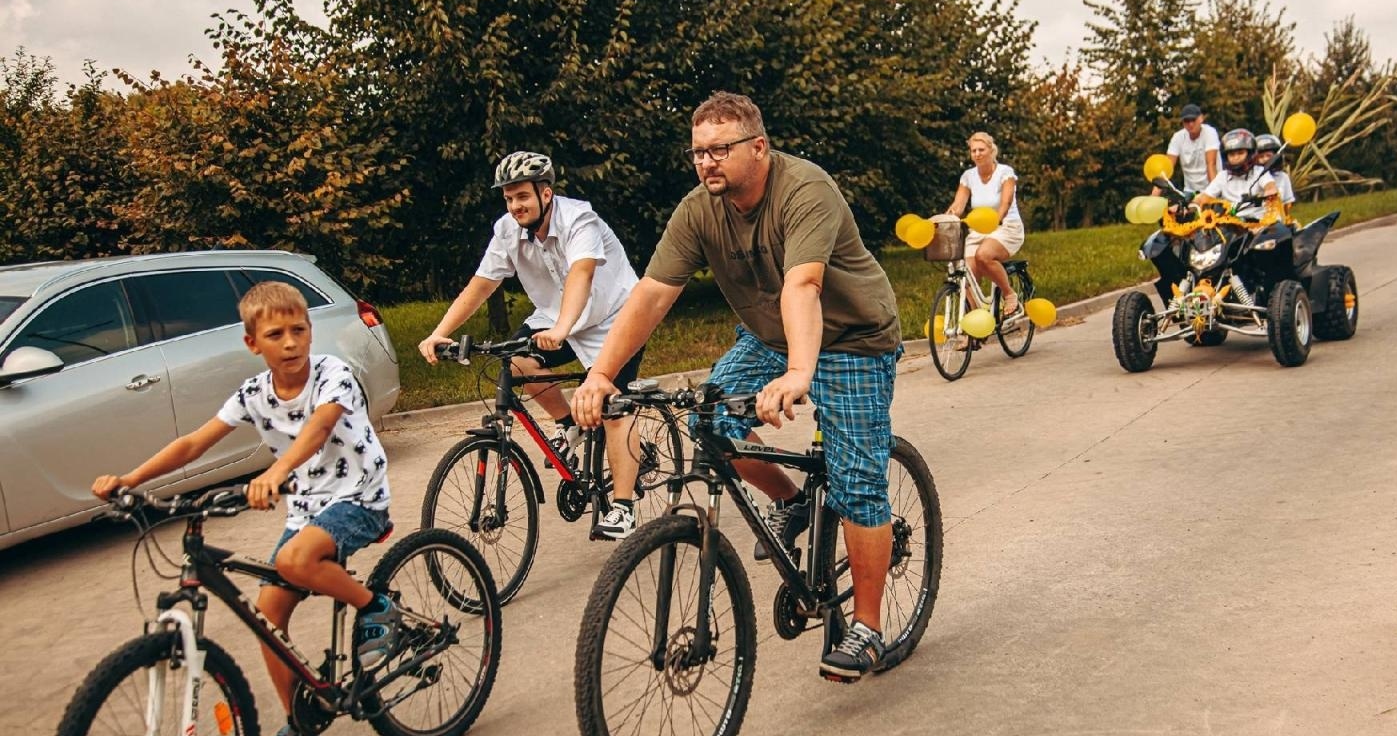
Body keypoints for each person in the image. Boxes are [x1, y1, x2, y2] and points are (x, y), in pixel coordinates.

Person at [571, 91, 903, 682]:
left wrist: (798, 374)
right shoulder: (699, 210)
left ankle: (868, 628)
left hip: (852, 338)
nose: (707, 162)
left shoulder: (805, 189)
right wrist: (601, 374)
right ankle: (792, 501)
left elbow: (803, 286)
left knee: (856, 480)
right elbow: (652, 293)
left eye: (720, 149)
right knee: (712, 422)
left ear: (759, 147)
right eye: (698, 152)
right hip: (769, 336)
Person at [92, 282, 394, 736]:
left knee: (293, 560)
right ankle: (299, 723)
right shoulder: (254, 393)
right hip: (306, 509)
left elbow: (318, 429)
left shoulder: (332, 374)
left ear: (310, 331)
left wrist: (276, 473)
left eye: (299, 330)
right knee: (267, 616)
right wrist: (131, 480)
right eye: (276, 334)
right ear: (253, 343)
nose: (291, 343)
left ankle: (376, 606)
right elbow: (194, 443)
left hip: (358, 495)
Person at [417, 151, 647, 539]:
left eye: (522, 196)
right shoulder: (507, 230)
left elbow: (581, 275)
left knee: (611, 405)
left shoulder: (580, 219)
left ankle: (623, 507)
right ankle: (568, 423)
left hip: (615, 317)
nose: (515, 206)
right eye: (508, 198)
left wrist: (561, 329)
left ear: (546, 193)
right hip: (556, 318)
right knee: (514, 360)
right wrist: (440, 331)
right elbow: (482, 284)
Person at [942, 131, 1025, 321]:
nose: (977, 154)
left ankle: (1009, 294)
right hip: (979, 230)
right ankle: (978, 322)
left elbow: (1005, 202)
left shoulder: (1005, 173)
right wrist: (944, 221)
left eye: (981, 149)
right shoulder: (968, 176)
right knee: (966, 273)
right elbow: (958, 206)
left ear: (991, 150)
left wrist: (997, 218)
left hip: (1006, 227)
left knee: (983, 256)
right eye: (974, 151)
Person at [1200, 128, 1279, 215]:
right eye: (1232, 154)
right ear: (1226, 157)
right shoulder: (1222, 176)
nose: (1236, 157)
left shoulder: (1259, 172)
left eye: (1240, 153)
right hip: (1230, 220)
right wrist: (1193, 204)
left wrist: (1269, 191)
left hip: (1259, 220)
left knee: (1278, 223)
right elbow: (1205, 197)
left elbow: (1270, 185)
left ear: (1250, 153)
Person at [1160, 103, 1221, 194]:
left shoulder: (1210, 133)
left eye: (1193, 120)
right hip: (1190, 191)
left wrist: (1214, 193)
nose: (1191, 124)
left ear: (1201, 118)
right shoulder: (1178, 137)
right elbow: (1167, 169)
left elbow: (1211, 164)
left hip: (1211, 188)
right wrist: (1153, 197)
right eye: (1187, 121)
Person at [1252, 134, 1296, 214]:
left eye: (1268, 156)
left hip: (1276, 216)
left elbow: (1287, 202)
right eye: (1261, 157)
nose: (1265, 159)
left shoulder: (1283, 177)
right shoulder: (1252, 177)